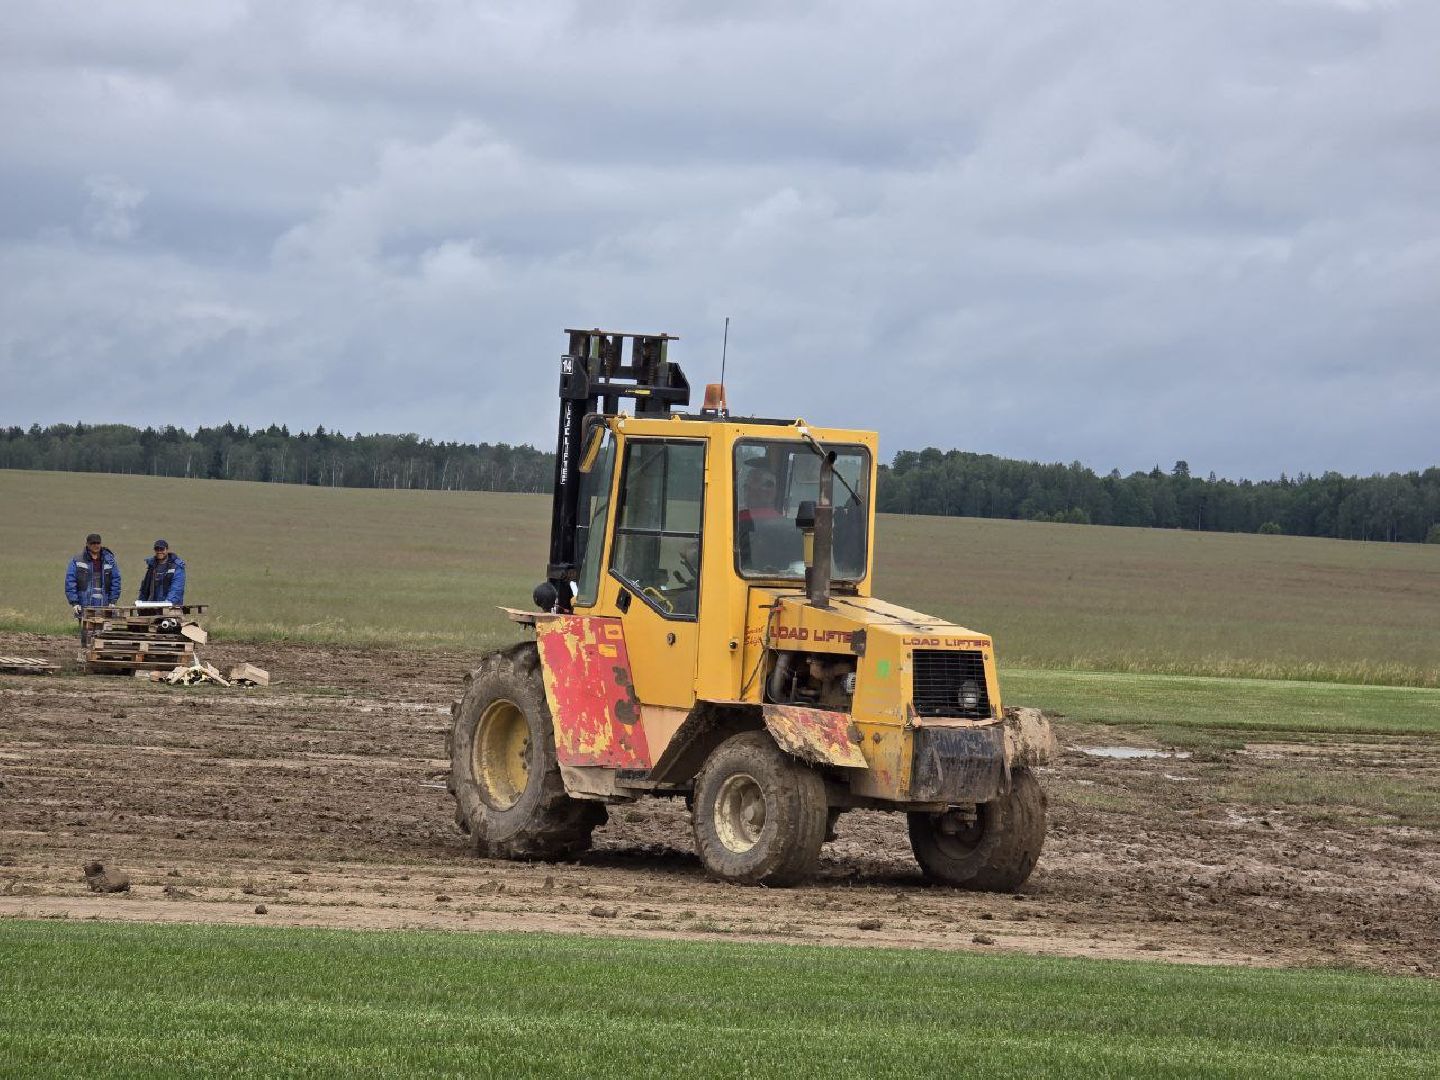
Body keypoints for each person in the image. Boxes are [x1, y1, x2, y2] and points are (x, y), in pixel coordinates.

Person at [65, 533, 121, 643]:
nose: (96, 545)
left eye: (98, 543)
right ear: (87, 544)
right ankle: (85, 649)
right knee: (86, 631)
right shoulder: (77, 560)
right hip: (85, 601)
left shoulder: (110, 560)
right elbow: (70, 581)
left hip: (104, 602)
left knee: (103, 630)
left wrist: (113, 601)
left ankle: (101, 650)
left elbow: (116, 580)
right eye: (93, 543)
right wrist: (74, 602)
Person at [137, 539, 186, 606]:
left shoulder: (176, 567)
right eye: (157, 549)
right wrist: (140, 603)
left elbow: (176, 589)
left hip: (171, 606)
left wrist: (167, 604)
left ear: (167, 550)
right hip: (153, 606)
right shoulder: (152, 566)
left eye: (162, 549)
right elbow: (145, 588)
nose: (159, 551)